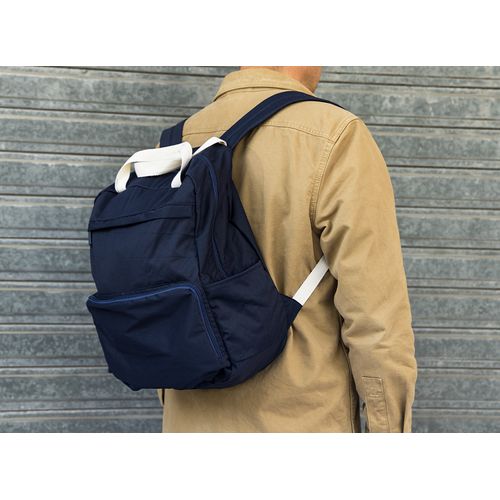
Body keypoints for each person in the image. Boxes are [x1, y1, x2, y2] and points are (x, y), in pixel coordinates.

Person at [158, 66, 418, 432]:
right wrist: (389, 430)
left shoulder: (176, 140)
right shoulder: (334, 135)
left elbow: (163, 302)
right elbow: (377, 321)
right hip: (300, 419)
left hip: (186, 423)